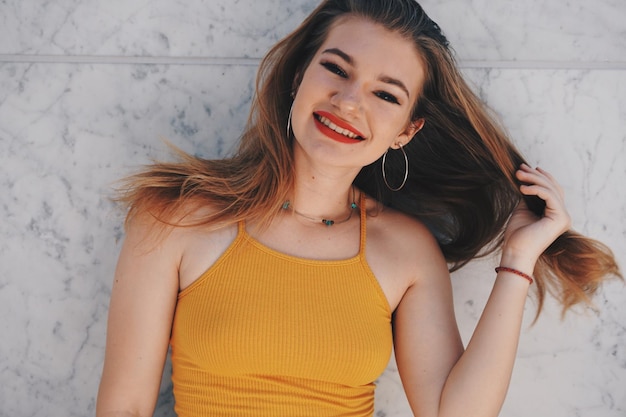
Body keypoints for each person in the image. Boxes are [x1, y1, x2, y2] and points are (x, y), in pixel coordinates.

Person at [96, 1, 621, 416]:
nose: (349, 101)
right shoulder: (176, 218)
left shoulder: (405, 251)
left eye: (386, 95)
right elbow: (124, 407)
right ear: (300, 74)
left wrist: (519, 258)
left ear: (407, 131)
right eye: (336, 68)